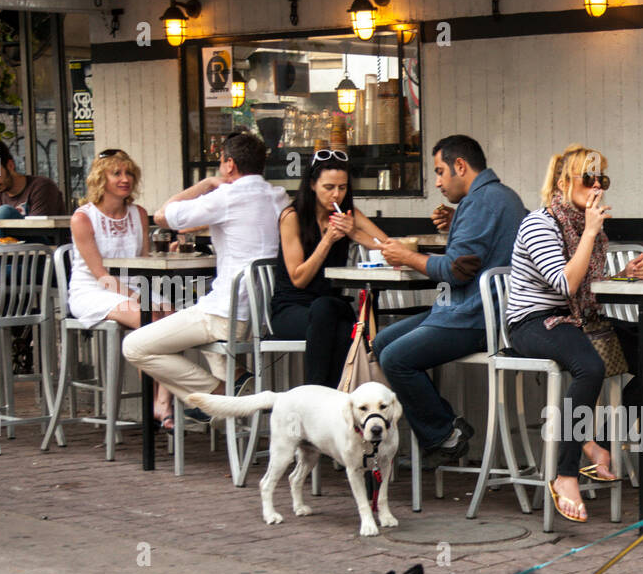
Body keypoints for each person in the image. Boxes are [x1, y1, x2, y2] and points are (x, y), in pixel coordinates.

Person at [503, 144, 643, 524]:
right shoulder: (540, 224)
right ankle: (565, 474)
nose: (596, 187)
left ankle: (601, 444)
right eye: (587, 178)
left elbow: (587, 287)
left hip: (578, 318)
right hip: (535, 321)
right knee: (589, 367)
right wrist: (592, 232)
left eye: (601, 179)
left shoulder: (583, 226)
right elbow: (565, 285)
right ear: (562, 183)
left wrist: (621, 278)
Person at [370, 135, 526, 466]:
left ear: (460, 166)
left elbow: (456, 271)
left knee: (396, 358)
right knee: (383, 342)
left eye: (440, 172)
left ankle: (445, 433)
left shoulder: (480, 202)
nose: (438, 182)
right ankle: (440, 431)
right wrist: (458, 224)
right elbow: (485, 248)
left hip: (474, 318)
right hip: (480, 313)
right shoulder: (501, 197)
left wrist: (406, 256)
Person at [123, 129, 287, 416]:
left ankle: (218, 393)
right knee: (196, 316)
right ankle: (234, 379)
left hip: (226, 314)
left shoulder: (227, 195)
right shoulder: (278, 196)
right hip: (263, 315)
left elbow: (162, 215)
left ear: (229, 164)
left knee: (135, 346)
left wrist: (206, 183)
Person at [66, 149, 174, 427]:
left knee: (173, 315)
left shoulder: (138, 213)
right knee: (146, 317)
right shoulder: (83, 218)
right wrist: (141, 299)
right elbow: (101, 276)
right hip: (93, 290)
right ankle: (156, 405)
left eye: (129, 173)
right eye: (117, 173)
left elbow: (144, 263)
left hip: (134, 286)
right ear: (102, 179)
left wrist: (169, 255)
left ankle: (162, 400)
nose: (125, 179)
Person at [272, 150, 389, 388]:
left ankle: (316, 399)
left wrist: (354, 233)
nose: (336, 193)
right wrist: (327, 241)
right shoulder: (292, 217)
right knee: (343, 330)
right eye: (329, 187)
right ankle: (329, 399)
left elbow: (388, 247)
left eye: (343, 187)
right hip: (291, 307)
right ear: (312, 185)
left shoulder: (349, 215)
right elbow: (299, 279)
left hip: (330, 305)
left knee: (329, 310)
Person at [0, 139, 66, 291]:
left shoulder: (41, 187)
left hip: (45, 264)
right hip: (8, 266)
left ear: (10, 165)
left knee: (4, 212)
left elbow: (40, 234)